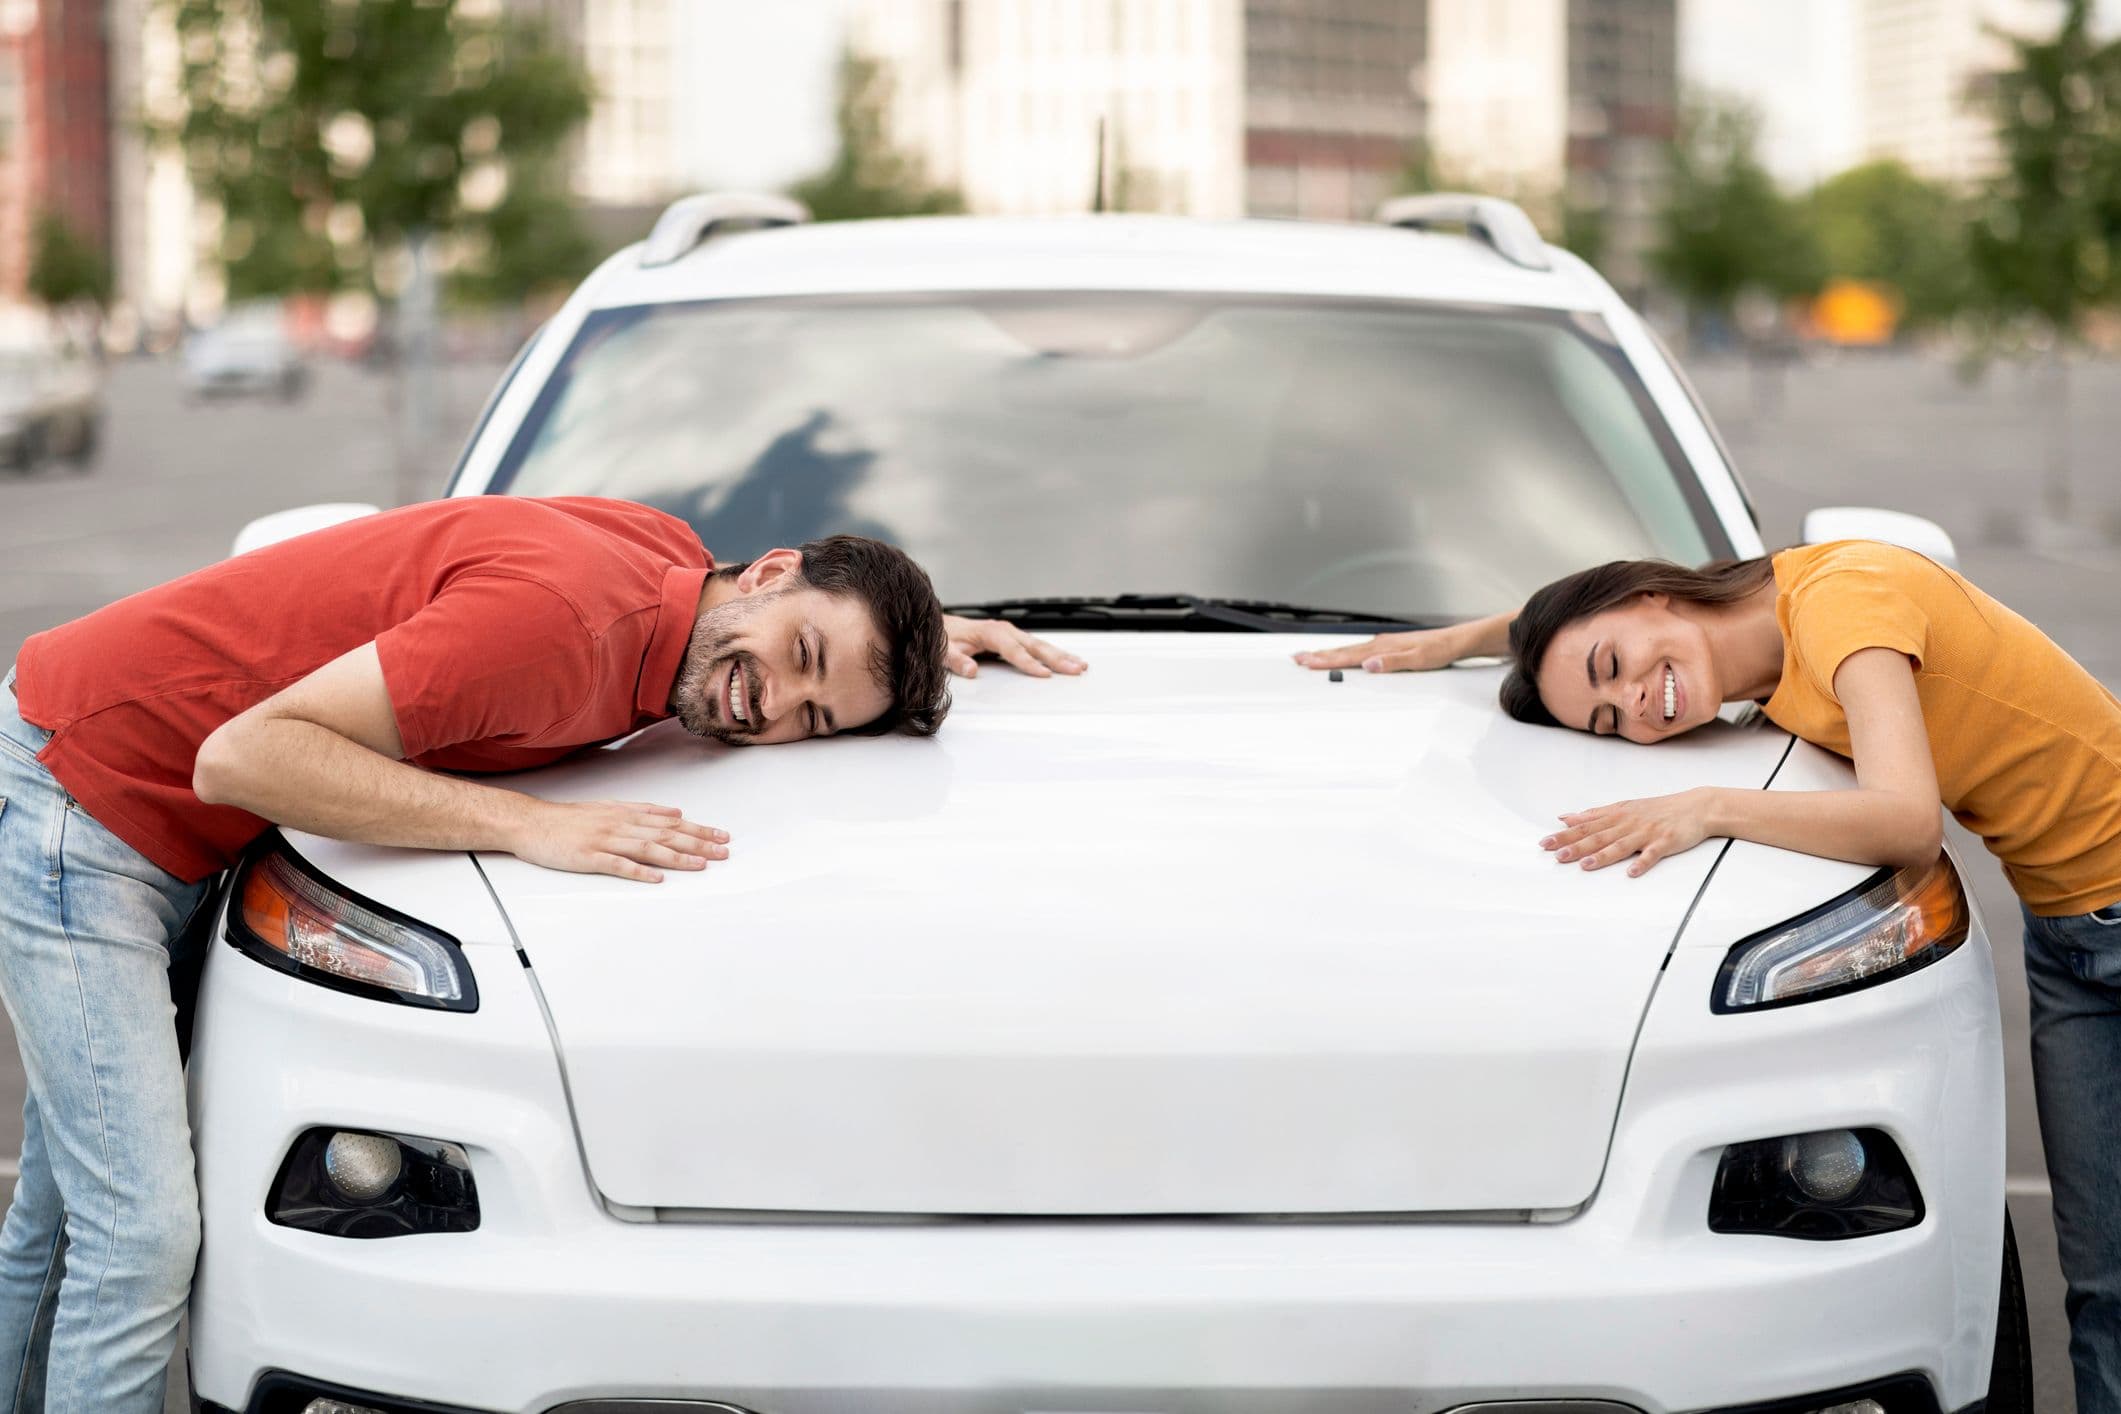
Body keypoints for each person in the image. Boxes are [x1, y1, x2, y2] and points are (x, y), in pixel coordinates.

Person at [0, 494, 1079, 1413]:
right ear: (769, 572)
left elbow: (783, 629)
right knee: (138, 1240)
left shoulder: (677, 572)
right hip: (83, 803)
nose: (775, 703)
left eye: (817, 713)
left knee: (60, 1228)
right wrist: (527, 825)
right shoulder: (559, 629)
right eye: (802, 655)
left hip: (140, 809)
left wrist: (919, 632)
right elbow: (240, 758)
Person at [1297, 536, 2121, 1414]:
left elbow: (1908, 824)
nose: (1631, 701)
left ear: (1649, 594)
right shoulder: (1749, 634)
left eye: (1611, 666)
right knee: (2103, 1285)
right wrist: (1453, 641)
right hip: (2069, 929)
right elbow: (1586, 624)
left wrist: (1708, 807)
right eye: (1606, 719)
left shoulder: (1842, 605)